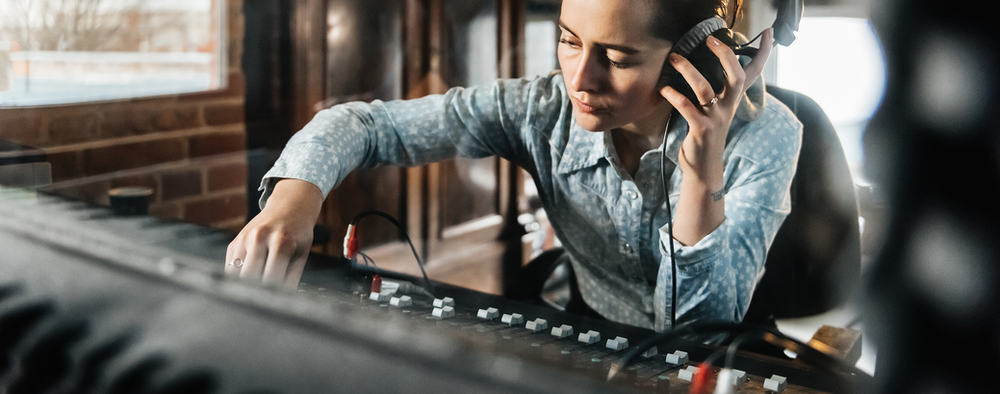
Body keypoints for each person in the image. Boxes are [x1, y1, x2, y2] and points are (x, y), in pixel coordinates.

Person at [225, 0, 801, 333]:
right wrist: (293, 199)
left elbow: (697, 335)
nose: (581, 80)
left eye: (618, 59)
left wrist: (702, 177)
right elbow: (367, 125)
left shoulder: (770, 138)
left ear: (689, 64)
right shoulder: (540, 107)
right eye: (570, 42)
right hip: (588, 334)